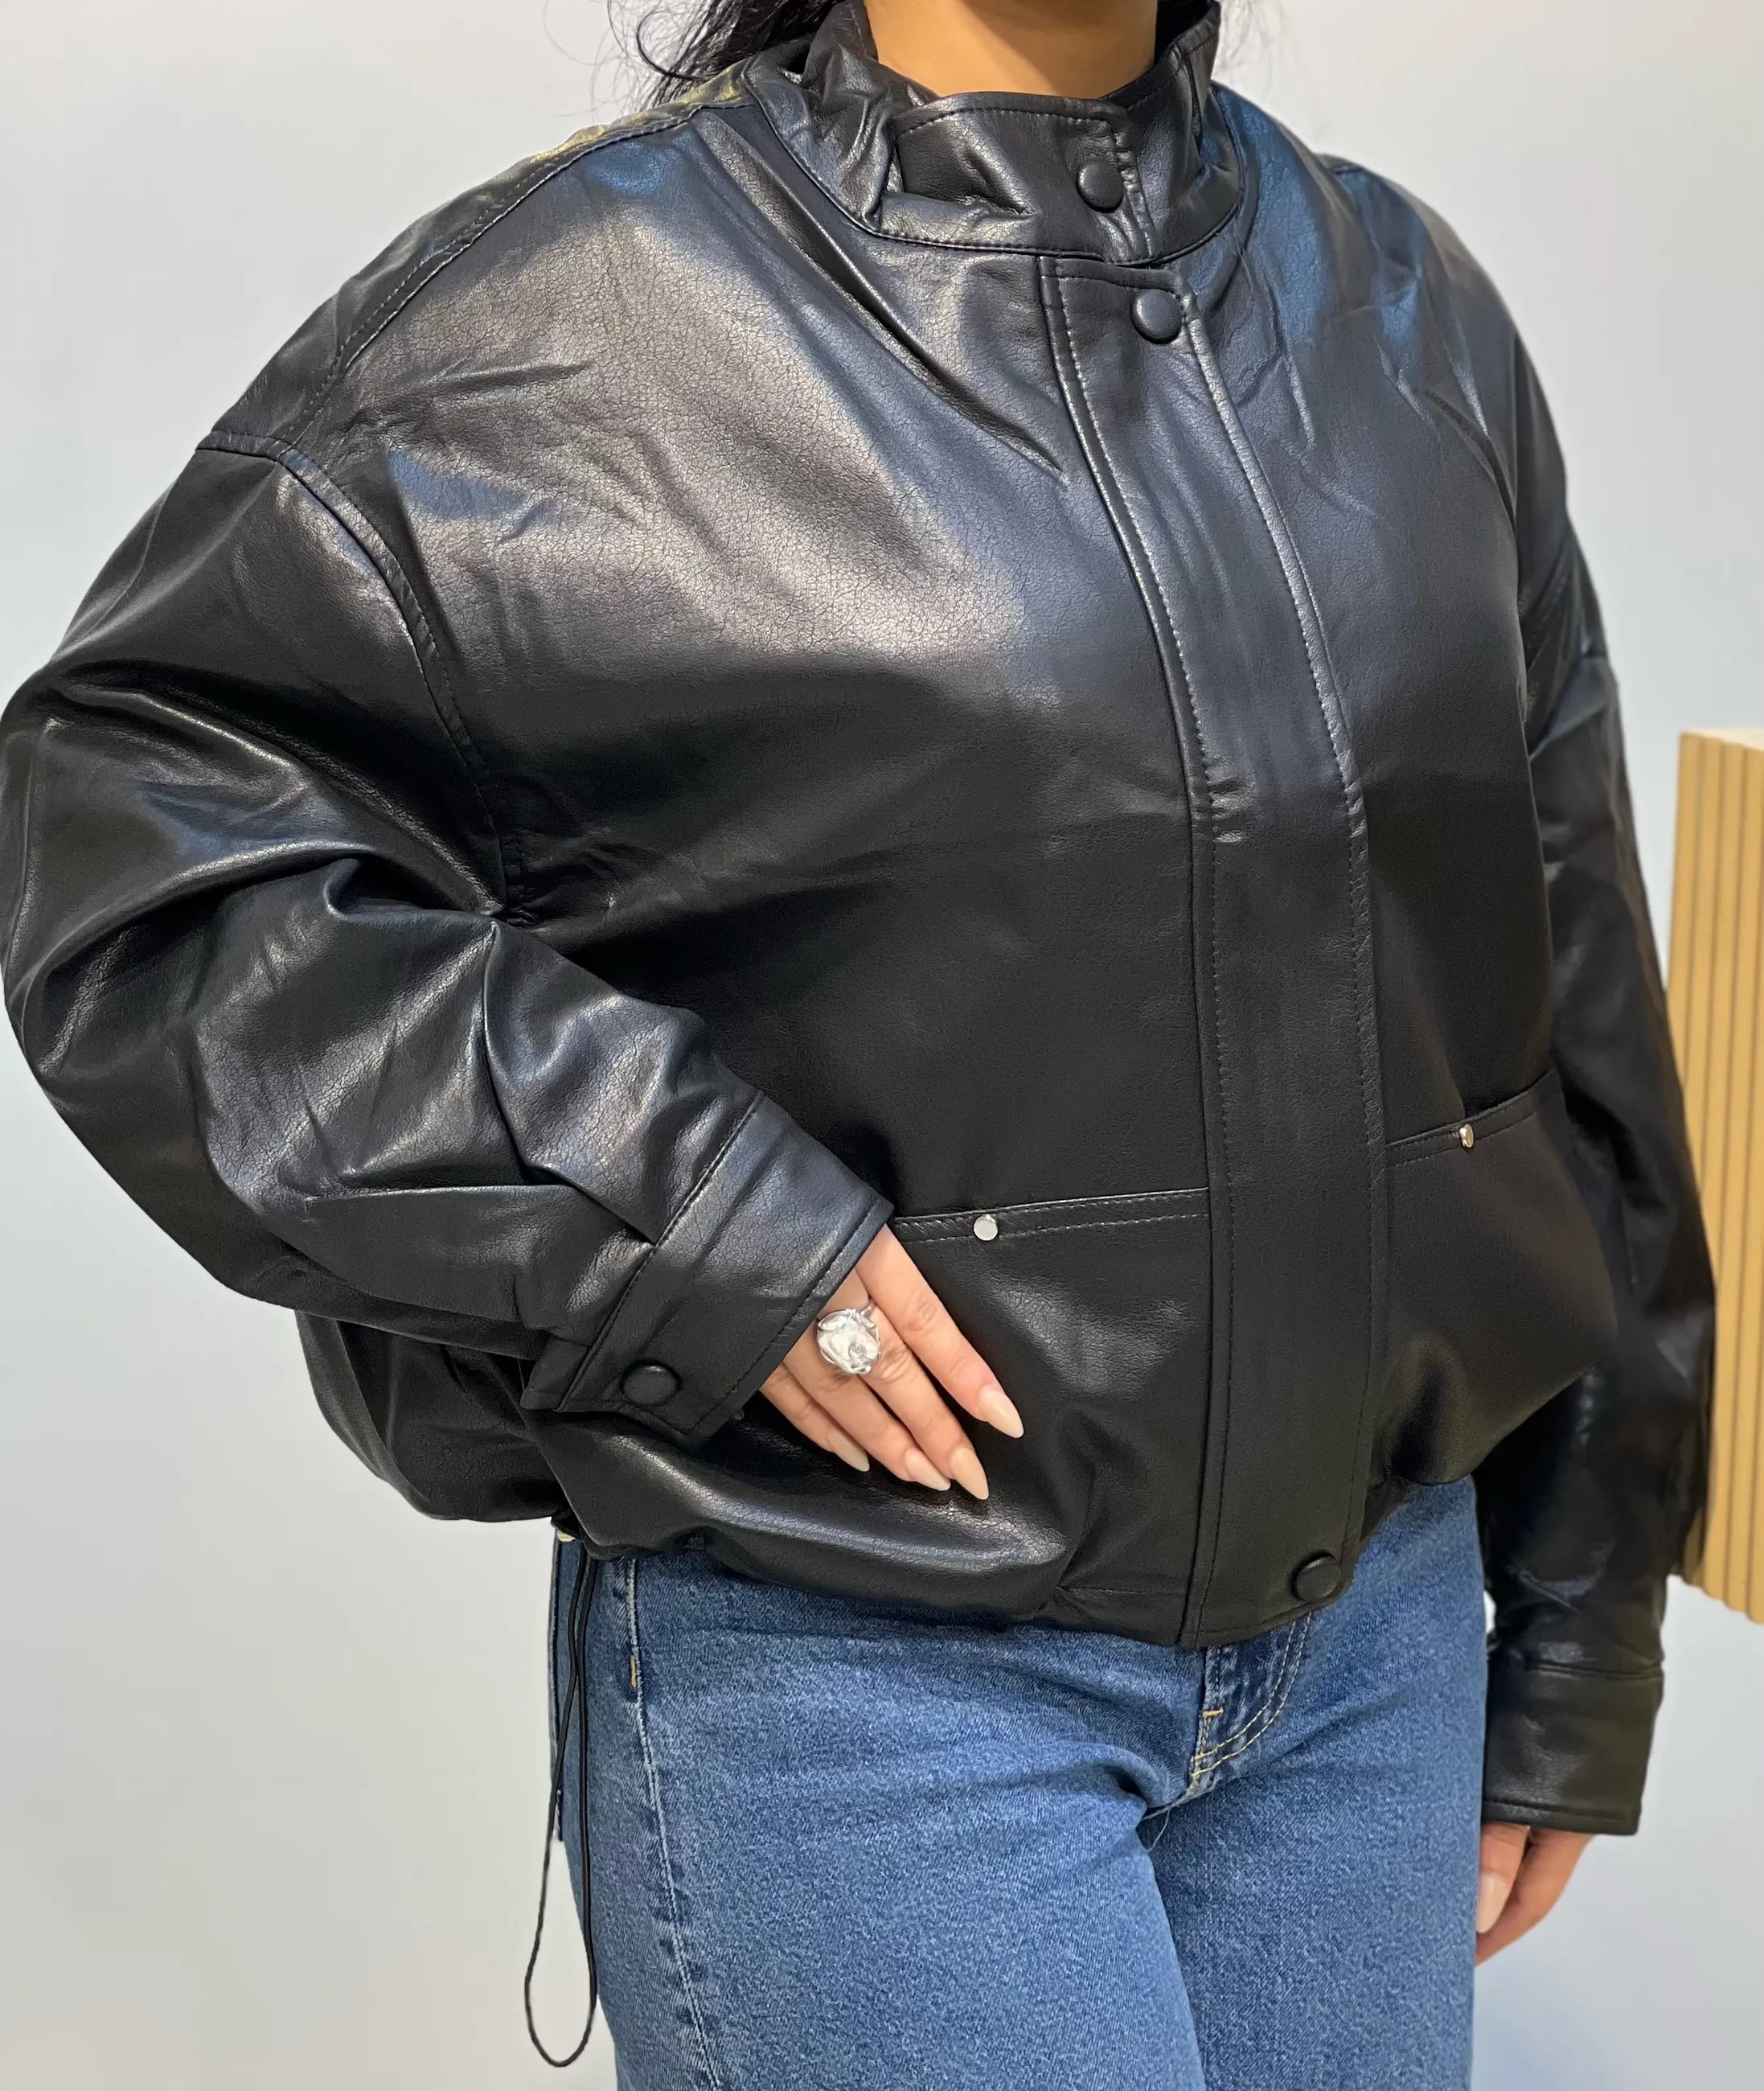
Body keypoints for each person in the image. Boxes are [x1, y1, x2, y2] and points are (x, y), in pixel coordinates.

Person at [0, 1, 1714, 2084]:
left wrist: (1586, 1625)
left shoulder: (1408, 314)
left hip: (1375, 1653)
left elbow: (1570, 995)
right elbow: (135, 854)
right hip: (866, 1687)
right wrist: (700, 1232)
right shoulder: (579, 326)